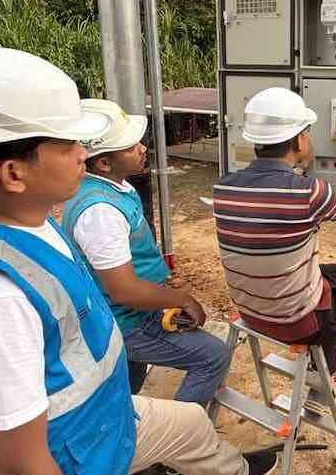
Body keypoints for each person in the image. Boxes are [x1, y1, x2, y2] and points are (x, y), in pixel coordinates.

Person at [0, 47, 277, 475]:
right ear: (14, 173)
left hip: (100, 426)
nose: (82, 154)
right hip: (69, 474)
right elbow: (19, 468)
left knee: (190, 424)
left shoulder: (34, 221)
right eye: (67, 144)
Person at [213, 87, 336, 374]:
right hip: (298, 322)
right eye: (307, 132)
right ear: (299, 140)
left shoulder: (223, 187)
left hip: (252, 312)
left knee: (335, 274)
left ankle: (324, 372)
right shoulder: (308, 193)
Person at [61, 99, 230, 405]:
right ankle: (182, 431)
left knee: (127, 381)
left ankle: (122, 421)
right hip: (128, 321)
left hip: (128, 313)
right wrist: (182, 299)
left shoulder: (112, 189)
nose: (142, 149)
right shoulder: (100, 211)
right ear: (104, 163)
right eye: (130, 147)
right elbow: (124, 291)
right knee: (213, 356)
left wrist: (159, 280)